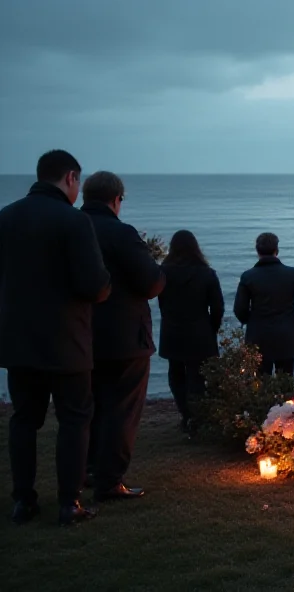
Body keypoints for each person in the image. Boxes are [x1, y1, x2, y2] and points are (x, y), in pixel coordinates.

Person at [0, 150, 111, 526]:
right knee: (75, 420)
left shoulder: (6, 217)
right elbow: (94, 285)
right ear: (70, 178)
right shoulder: (74, 222)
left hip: (17, 341)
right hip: (67, 342)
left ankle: (23, 501)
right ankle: (69, 503)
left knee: (23, 420)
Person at [82, 172, 165, 501]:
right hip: (124, 338)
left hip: (79, 335)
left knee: (89, 408)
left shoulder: (71, 229)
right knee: (122, 410)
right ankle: (110, 480)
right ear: (117, 199)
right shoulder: (120, 233)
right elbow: (152, 283)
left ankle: (86, 469)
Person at [158, 230, 224, 434]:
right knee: (198, 376)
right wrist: (211, 327)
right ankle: (197, 417)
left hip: (173, 331)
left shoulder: (163, 272)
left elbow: (161, 302)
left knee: (176, 374)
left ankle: (186, 415)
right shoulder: (206, 273)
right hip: (200, 331)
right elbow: (218, 307)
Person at [234, 233, 294, 376]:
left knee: (260, 385)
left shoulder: (248, 276)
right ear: (276, 250)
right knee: (285, 386)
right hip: (286, 335)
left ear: (257, 251)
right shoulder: (291, 273)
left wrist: (251, 320)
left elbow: (239, 309)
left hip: (258, 336)